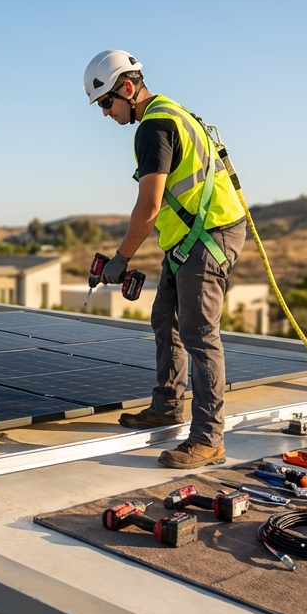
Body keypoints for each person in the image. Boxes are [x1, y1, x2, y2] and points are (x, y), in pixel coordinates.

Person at [83, 50, 248, 469]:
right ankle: (168, 406)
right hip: (191, 238)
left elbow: (149, 205)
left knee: (199, 335)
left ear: (127, 88)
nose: (105, 113)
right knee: (165, 319)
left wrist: (121, 258)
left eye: (106, 102)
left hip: (208, 237)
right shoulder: (172, 111)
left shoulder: (155, 126)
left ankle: (209, 438)